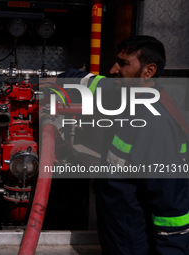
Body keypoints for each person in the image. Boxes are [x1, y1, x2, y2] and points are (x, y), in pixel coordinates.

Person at [59, 35, 189, 254]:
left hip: (134, 245)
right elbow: (91, 82)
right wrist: (52, 81)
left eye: (123, 63)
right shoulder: (125, 95)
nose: (113, 69)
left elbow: (171, 212)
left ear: (148, 72)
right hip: (117, 238)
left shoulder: (155, 126)